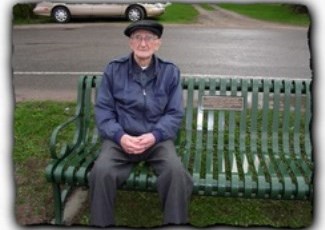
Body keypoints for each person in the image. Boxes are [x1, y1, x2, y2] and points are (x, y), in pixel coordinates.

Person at [89, 20, 194, 227]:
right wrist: (120, 136)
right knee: (100, 172)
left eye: (149, 38)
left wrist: (155, 135)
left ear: (158, 44)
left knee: (176, 173)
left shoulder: (170, 72)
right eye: (138, 38)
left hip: (157, 140)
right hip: (121, 138)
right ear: (130, 43)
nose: (143, 43)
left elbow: (174, 113)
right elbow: (104, 111)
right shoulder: (113, 70)